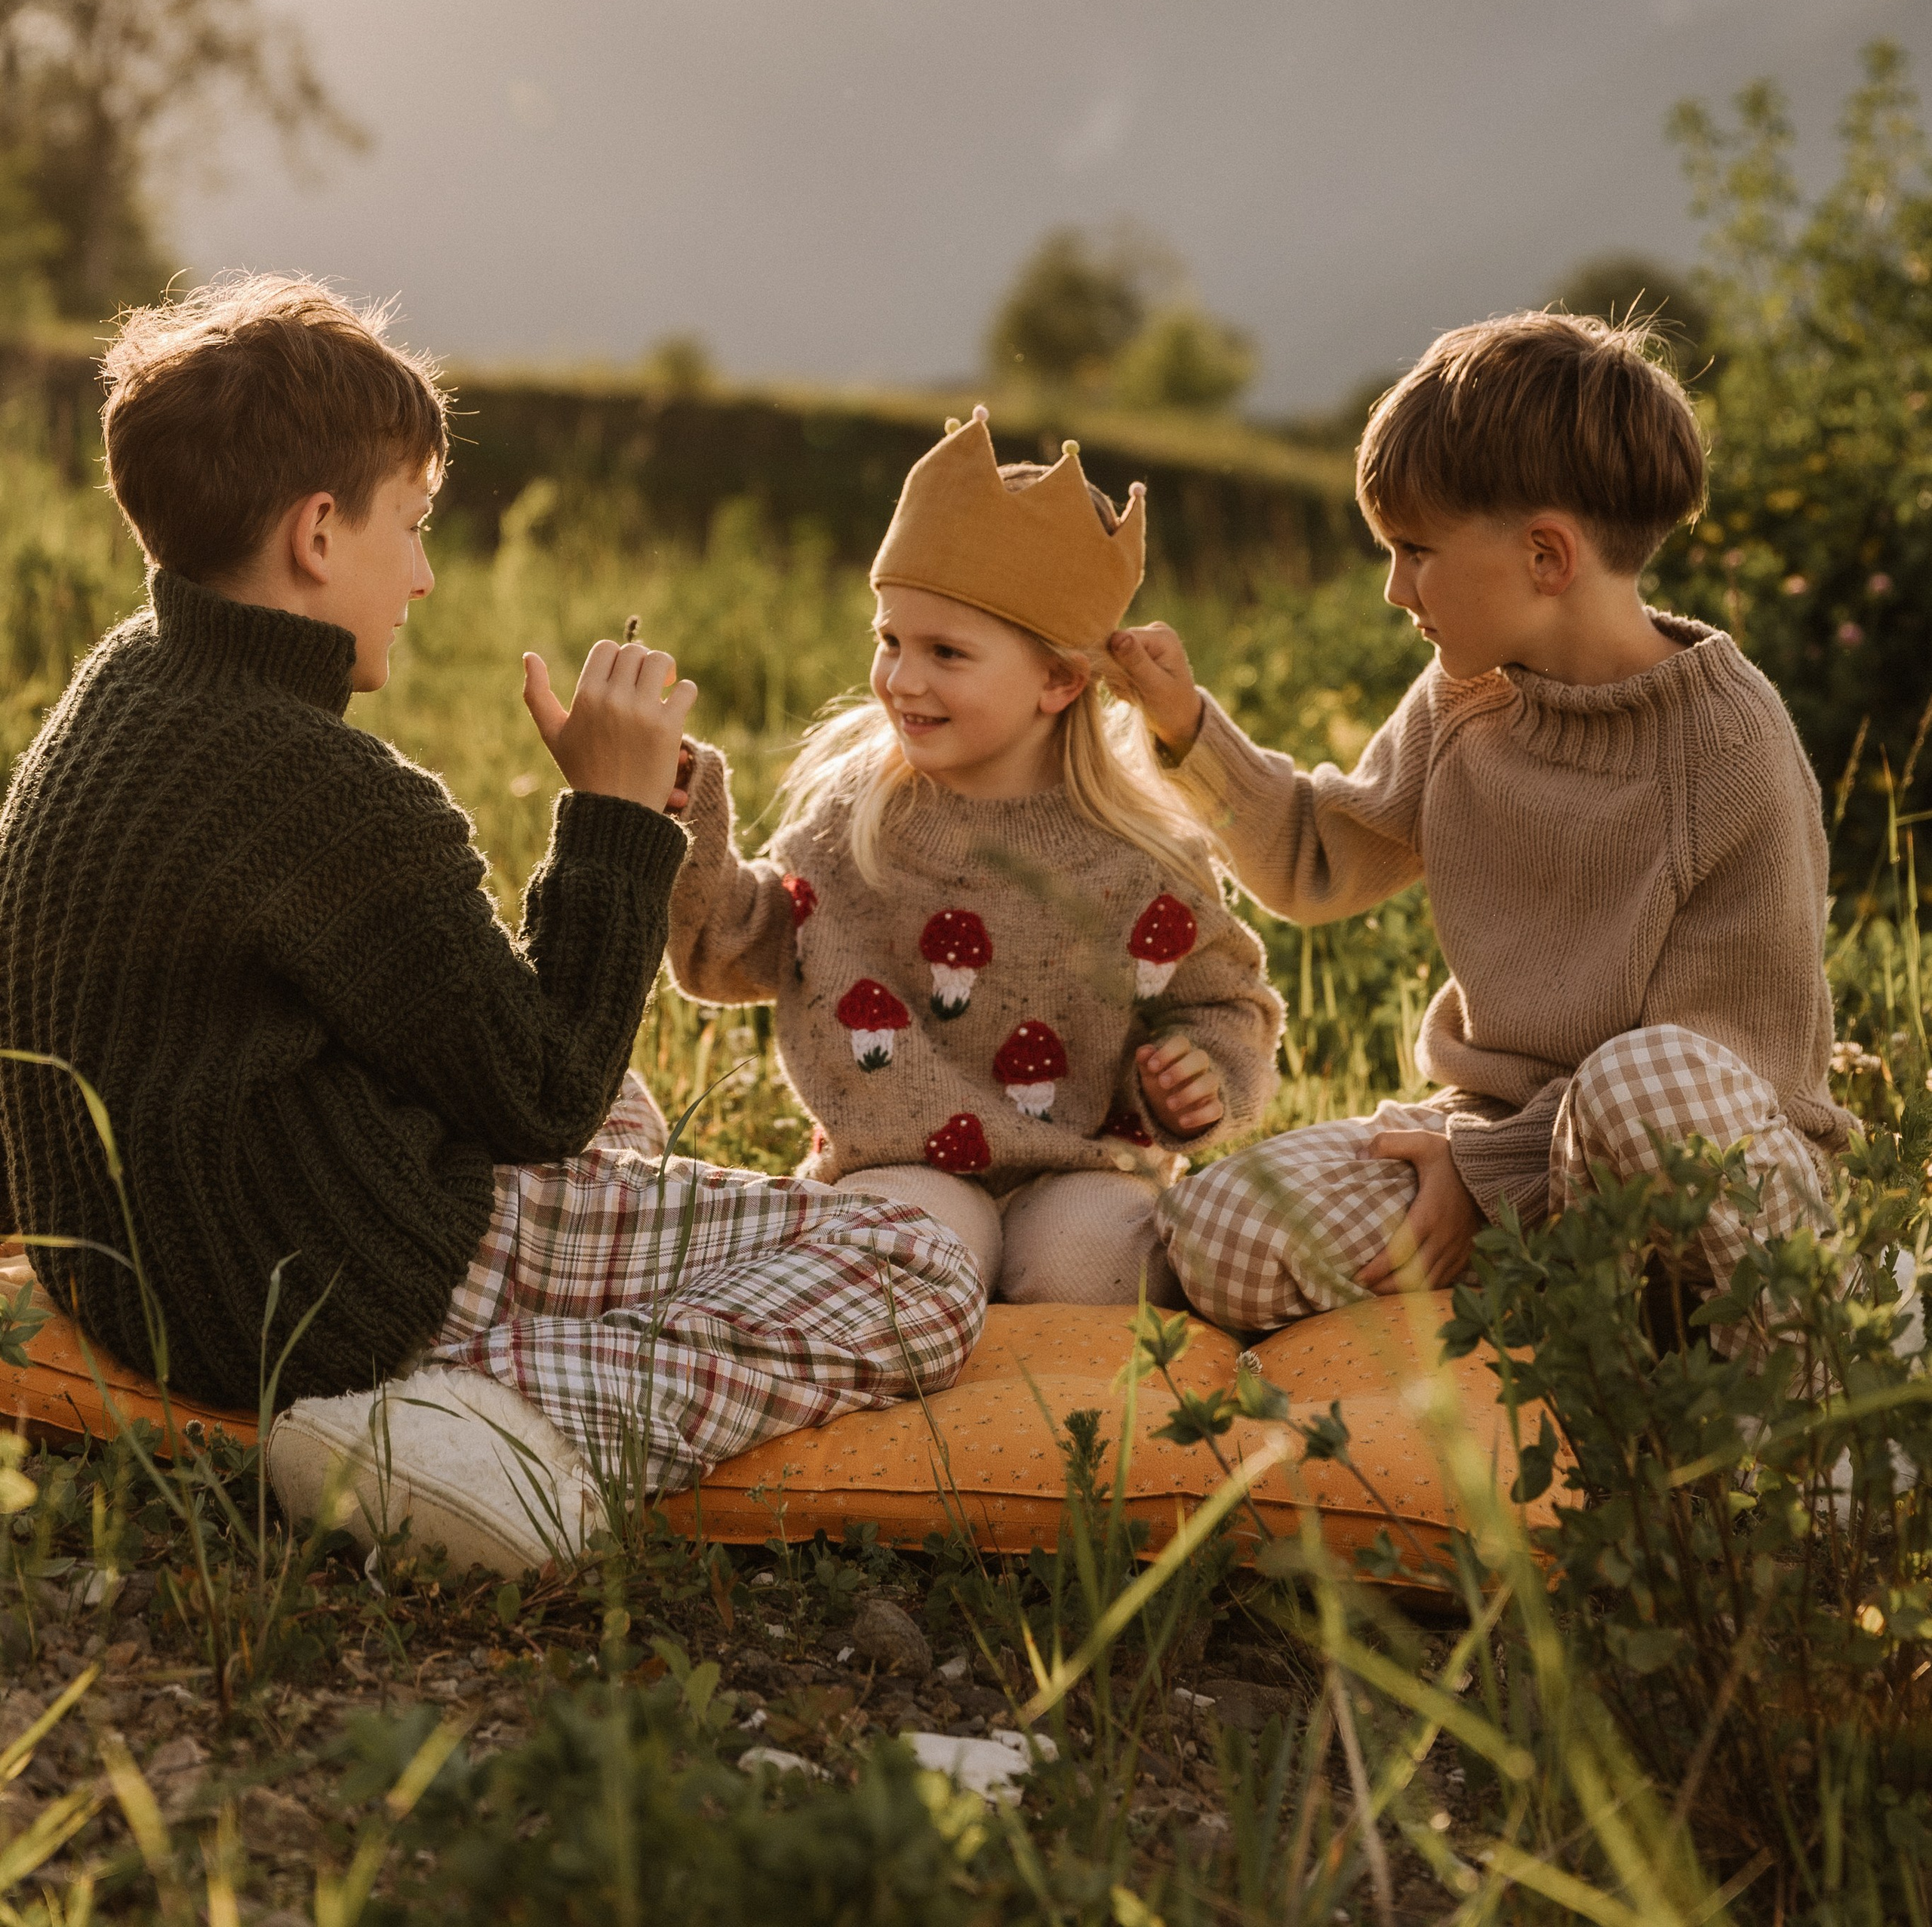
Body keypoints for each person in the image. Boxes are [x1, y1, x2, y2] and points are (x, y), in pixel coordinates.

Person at [0, 277, 983, 1488]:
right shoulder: (330, 794)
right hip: (339, 1281)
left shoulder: (118, 692)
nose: (421, 578)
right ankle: (487, 1427)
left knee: (624, 1106)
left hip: (141, 1268)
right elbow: (543, 1095)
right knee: (919, 1265)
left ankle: (549, 1351)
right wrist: (614, 821)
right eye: (409, 526)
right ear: (317, 535)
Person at [1103, 311, 1845, 1333]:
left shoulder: (1726, 748)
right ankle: (1542, 1332)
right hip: (1496, 1138)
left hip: (1698, 1154)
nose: (1395, 588)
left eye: (1415, 551)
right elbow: (1321, 858)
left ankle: (1801, 1376)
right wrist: (1182, 722)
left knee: (1645, 1080)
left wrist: (1477, 1171)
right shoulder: (1466, 698)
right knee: (1221, 1229)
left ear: (1546, 555)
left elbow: (1719, 1060)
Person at [669, 407, 1284, 1305]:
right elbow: (730, 949)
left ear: (1059, 680)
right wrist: (686, 823)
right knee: (919, 1252)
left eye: (945, 652)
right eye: (890, 640)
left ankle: (1062, 1433)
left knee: (1084, 1264)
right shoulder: (855, 821)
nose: (901, 680)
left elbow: (1227, 1005)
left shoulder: (1145, 859)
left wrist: (1203, 1077)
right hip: (899, 1161)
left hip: (1085, 1164)